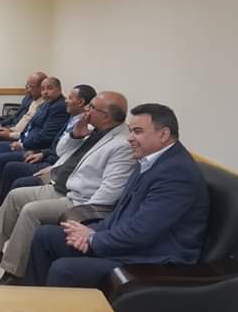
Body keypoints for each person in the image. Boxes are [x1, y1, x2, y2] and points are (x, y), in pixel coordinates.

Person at [24, 104, 210, 288]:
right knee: (45, 236)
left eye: (137, 131)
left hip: (152, 259)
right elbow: (122, 212)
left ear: (163, 134)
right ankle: (34, 299)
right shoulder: (149, 159)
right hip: (130, 245)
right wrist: (92, 232)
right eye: (130, 131)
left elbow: (142, 231)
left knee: (64, 269)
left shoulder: (176, 174)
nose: (130, 138)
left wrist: (93, 239)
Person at [0, 91, 136, 286]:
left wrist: (81, 212)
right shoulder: (93, 130)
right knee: (15, 196)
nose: (87, 110)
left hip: (81, 201)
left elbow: (110, 191)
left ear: (106, 116)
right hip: (62, 186)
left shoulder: (122, 145)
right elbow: (61, 151)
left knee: (31, 212)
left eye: (92, 107)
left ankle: (15, 273)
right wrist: (75, 134)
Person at [0, 84, 96, 231]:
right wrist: (40, 152)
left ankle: (2, 216)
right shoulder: (71, 117)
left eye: (70, 98)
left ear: (81, 102)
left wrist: (40, 154)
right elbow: (57, 146)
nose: (66, 100)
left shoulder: (83, 126)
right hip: (49, 156)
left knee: (12, 170)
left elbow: (56, 145)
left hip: (56, 168)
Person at [0, 77, 69, 198]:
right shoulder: (45, 103)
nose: (45, 92)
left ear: (59, 89)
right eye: (43, 89)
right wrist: (21, 140)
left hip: (37, 148)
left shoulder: (59, 107)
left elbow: (46, 136)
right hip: (27, 140)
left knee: (2, 154)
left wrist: (22, 143)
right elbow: (29, 124)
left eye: (49, 88)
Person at [0, 72, 46, 175]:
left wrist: (10, 133)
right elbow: (18, 118)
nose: (28, 89)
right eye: (27, 85)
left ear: (41, 88)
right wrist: (6, 127)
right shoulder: (32, 100)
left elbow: (29, 128)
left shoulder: (43, 105)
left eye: (31, 86)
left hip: (20, 136)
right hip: (14, 129)